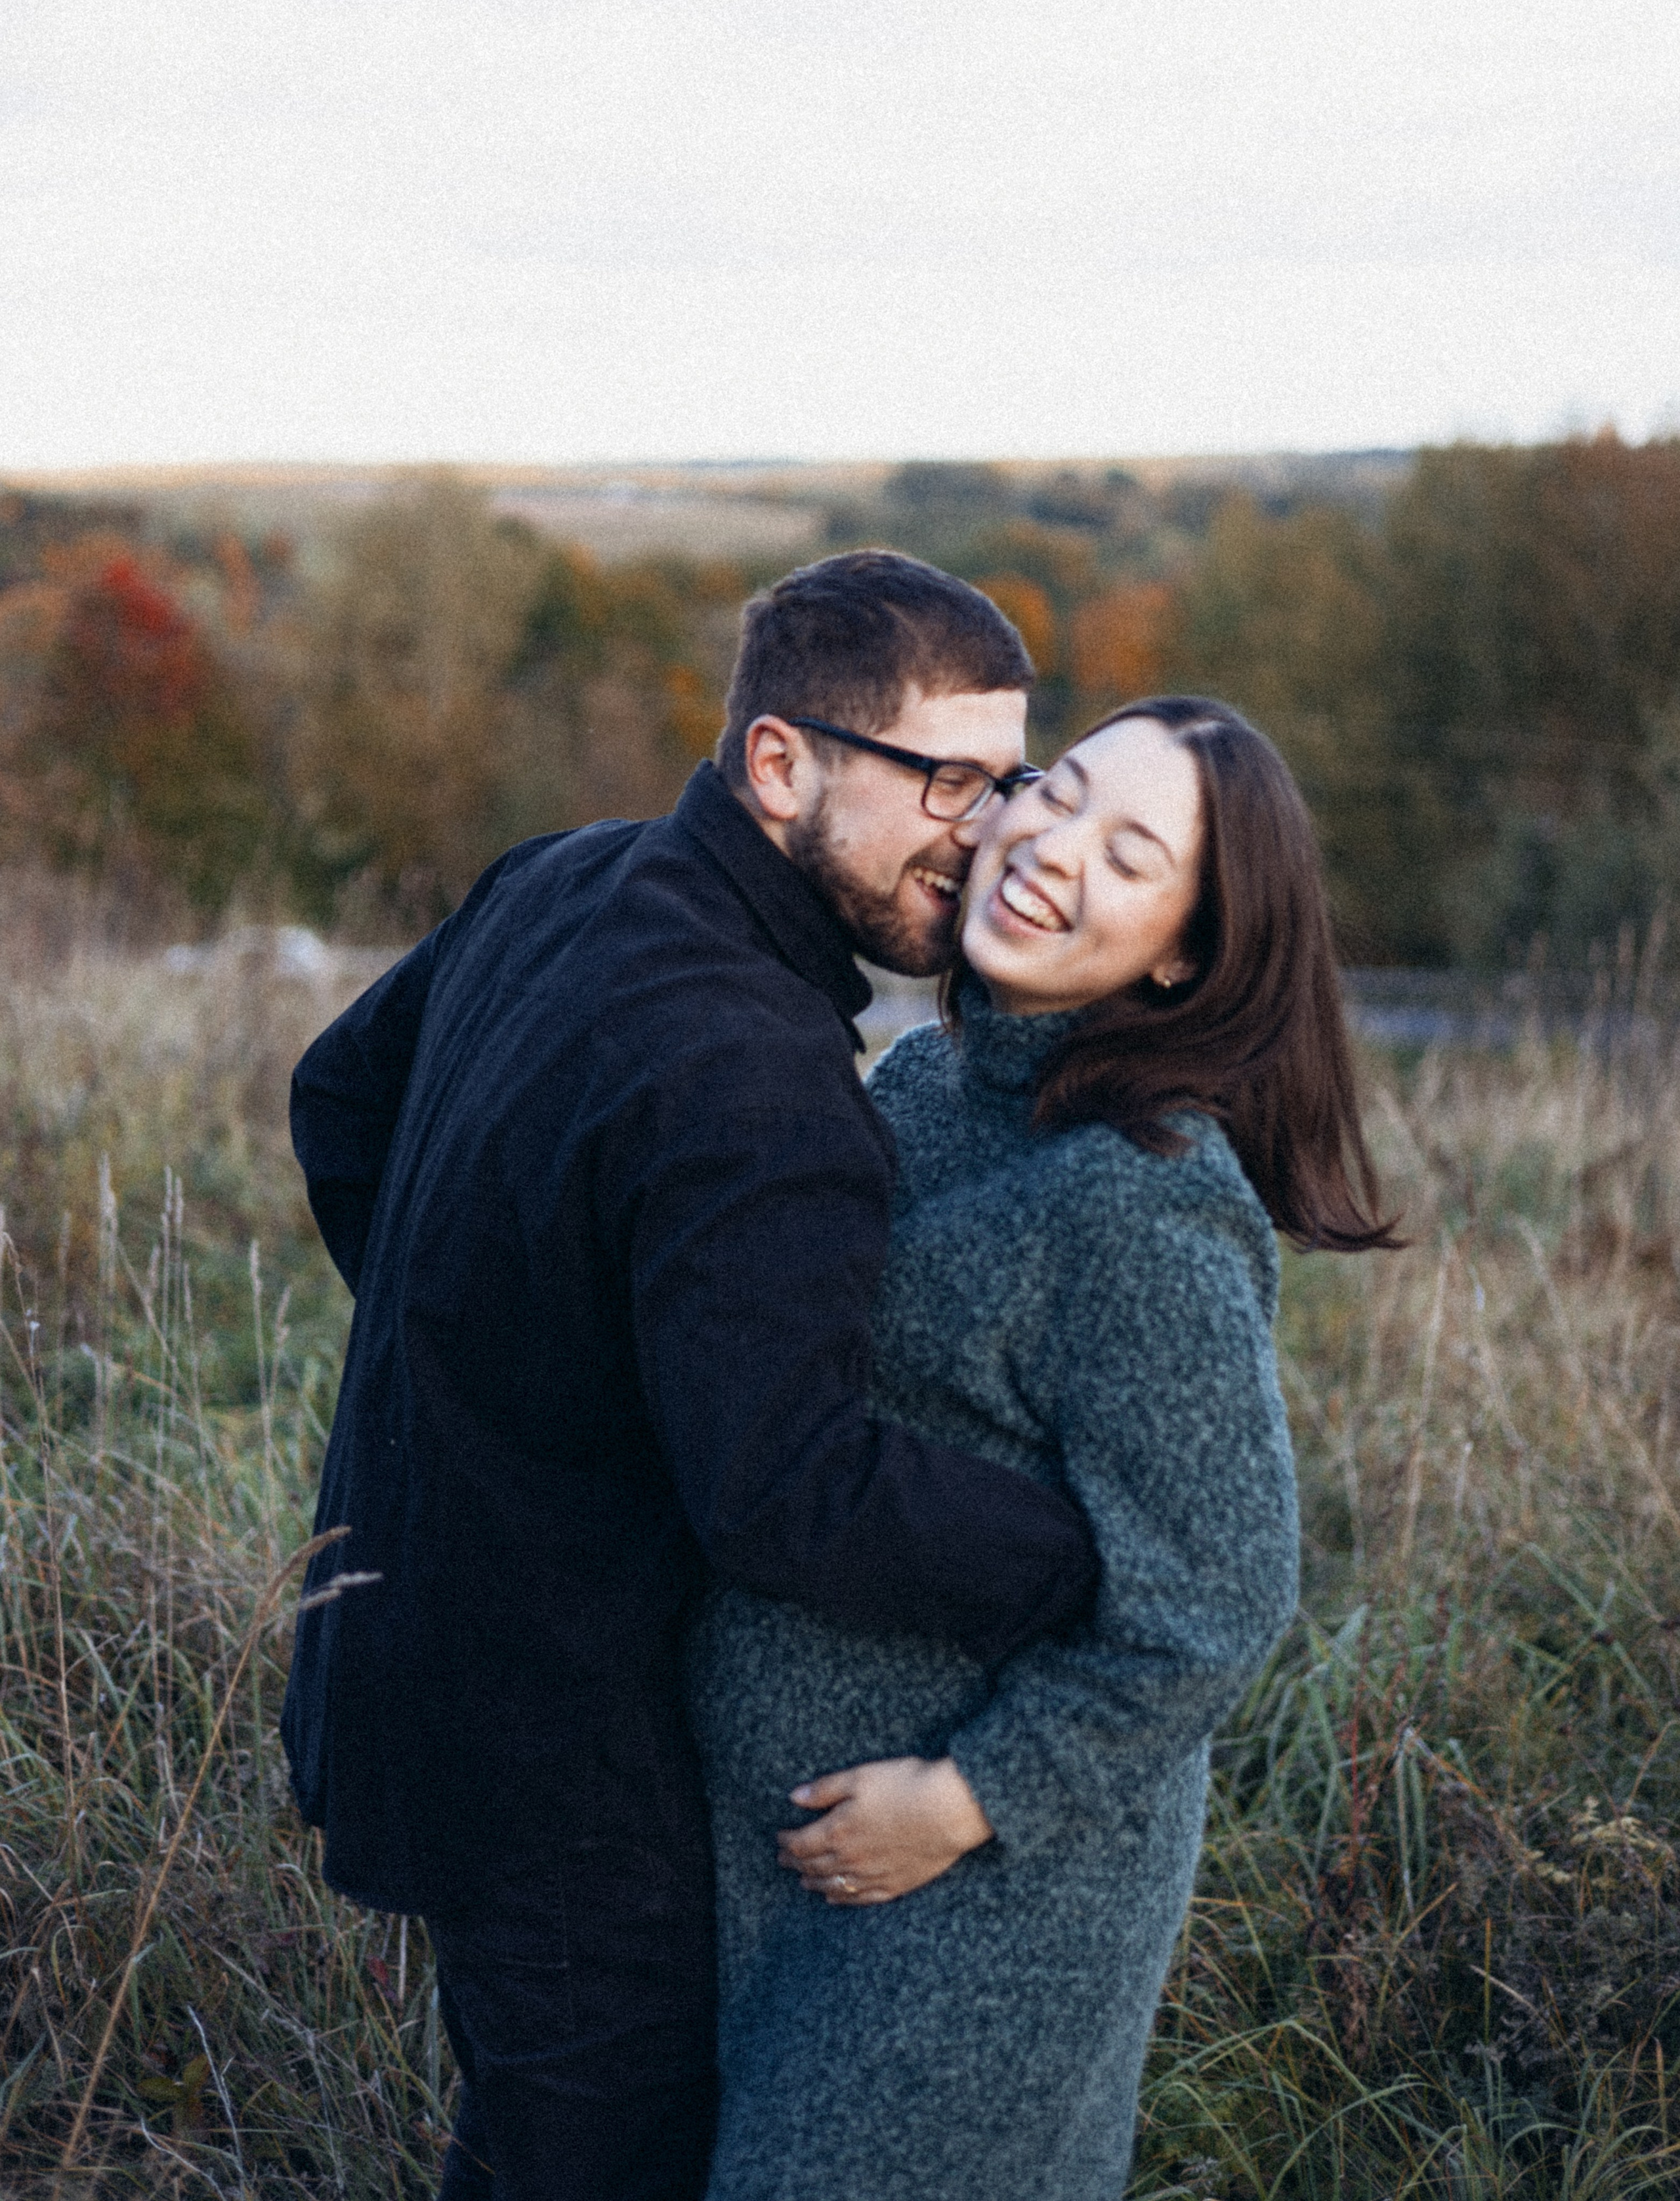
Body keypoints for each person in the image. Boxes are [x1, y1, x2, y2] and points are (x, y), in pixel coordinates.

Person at [280, 551, 1106, 2201]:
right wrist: (1093, 1552)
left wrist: (499, 1365)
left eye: (1009, 776)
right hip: (555, 1751)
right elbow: (794, 1497)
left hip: (400, 1653)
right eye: (944, 778)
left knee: (524, 2140)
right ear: (781, 763)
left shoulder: (569, 877)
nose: (993, 826)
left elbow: (335, 1101)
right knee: (599, 2157)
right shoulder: (758, 1071)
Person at [691, 696, 1402, 2201]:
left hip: (978, 1906)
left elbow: (1216, 1597)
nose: (1047, 849)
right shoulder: (927, 1086)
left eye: (1127, 851)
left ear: (1181, 954)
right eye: (1053, 792)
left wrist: (964, 1801)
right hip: (787, 1870)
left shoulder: (1138, 1198)